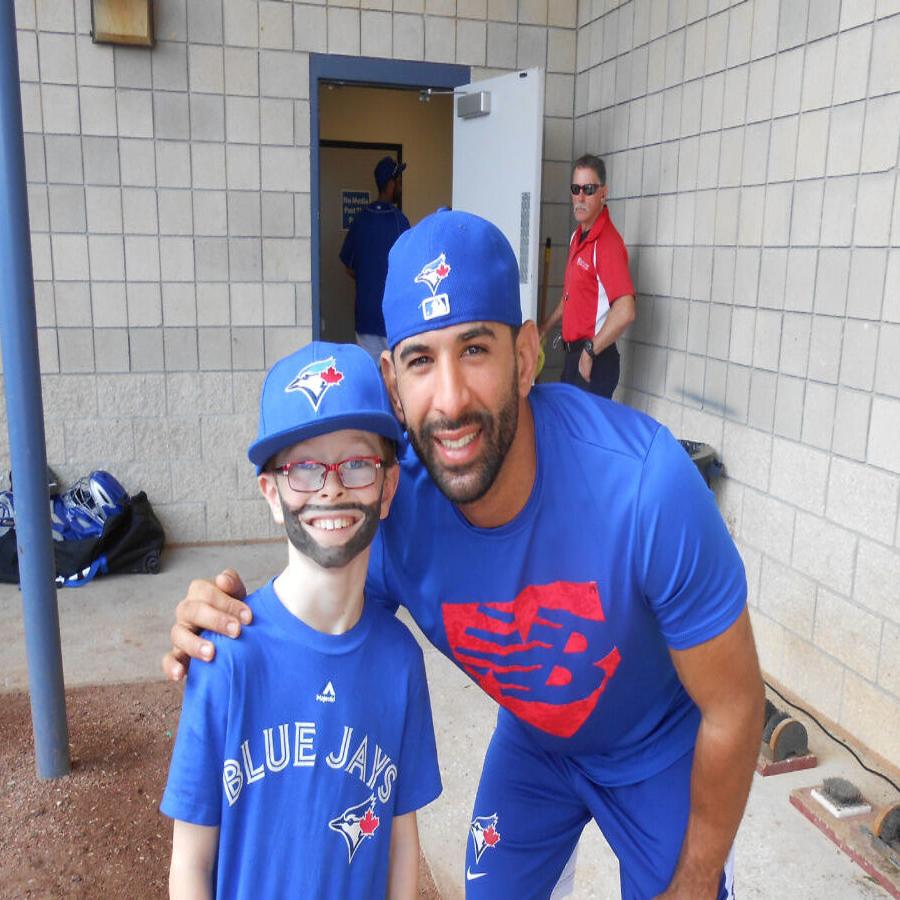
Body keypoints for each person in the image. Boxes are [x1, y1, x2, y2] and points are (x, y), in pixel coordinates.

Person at [164, 210, 763, 900]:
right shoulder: (392, 510)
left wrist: (692, 885)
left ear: (527, 354)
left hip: (659, 749)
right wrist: (222, 619)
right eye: (422, 360)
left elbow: (736, 705)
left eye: (475, 349)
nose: (449, 400)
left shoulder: (644, 488)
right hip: (537, 743)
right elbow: (308, 622)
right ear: (392, 382)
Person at [161, 341, 442, 899]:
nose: (331, 487)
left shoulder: (400, 660)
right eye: (304, 468)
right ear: (272, 492)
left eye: (357, 463)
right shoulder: (226, 653)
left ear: (388, 488)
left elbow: (400, 837)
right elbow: (191, 861)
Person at [539, 154, 636, 399]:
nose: (580, 197)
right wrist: (544, 328)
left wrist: (590, 352)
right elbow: (570, 297)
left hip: (595, 361)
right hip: (574, 357)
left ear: (603, 193)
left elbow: (626, 310)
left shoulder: (606, 244)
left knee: (581, 435)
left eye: (589, 189)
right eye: (576, 189)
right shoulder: (578, 237)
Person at [339, 156, 411, 363]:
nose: (400, 186)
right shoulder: (399, 221)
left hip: (366, 317)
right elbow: (408, 269)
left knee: (371, 379)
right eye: (398, 181)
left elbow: (348, 267)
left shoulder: (361, 219)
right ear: (390, 183)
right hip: (392, 317)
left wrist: (369, 278)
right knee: (395, 381)